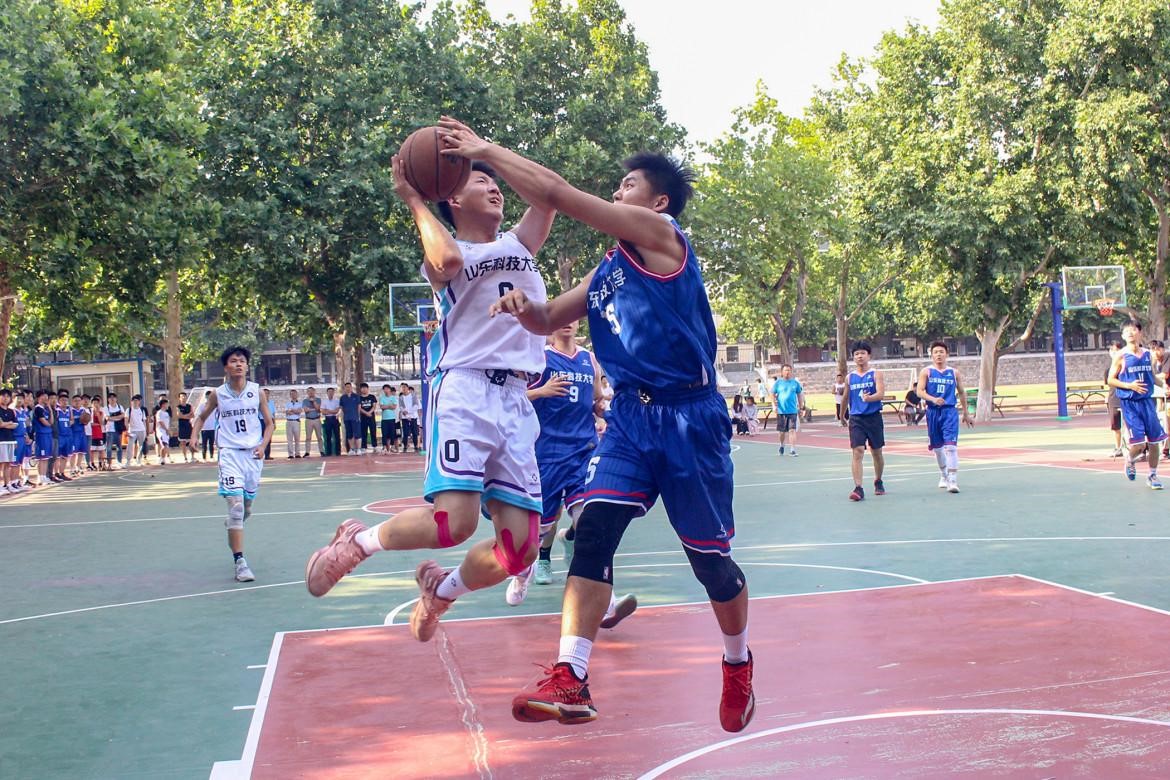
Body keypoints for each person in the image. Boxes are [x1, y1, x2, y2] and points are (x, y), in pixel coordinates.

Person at [441, 119, 754, 732]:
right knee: (594, 531)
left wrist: (484, 151)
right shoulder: (610, 268)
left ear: (657, 202)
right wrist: (523, 308)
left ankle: (738, 662)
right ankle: (571, 674)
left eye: (628, 185)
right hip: (631, 419)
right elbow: (548, 318)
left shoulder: (661, 235)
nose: (616, 192)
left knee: (711, 565)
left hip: (690, 419)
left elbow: (555, 194)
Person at [305, 151, 555, 651]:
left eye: (495, 183)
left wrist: (487, 153)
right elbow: (447, 262)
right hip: (466, 388)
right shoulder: (447, 251)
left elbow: (549, 195)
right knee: (454, 524)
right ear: (453, 198)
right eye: (480, 182)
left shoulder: (519, 243)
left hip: (515, 397)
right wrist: (413, 198)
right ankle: (358, 543)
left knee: (521, 550)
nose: (495, 188)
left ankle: (441, 592)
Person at [504, 321, 636, 633]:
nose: (568, 321)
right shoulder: (539, 357)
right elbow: (510, 398)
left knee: (591, 525)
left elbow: (596, 401)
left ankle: (608, 603)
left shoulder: (588, 359)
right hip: (546, 455)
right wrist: (542, 391)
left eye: (573, 317)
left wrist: (609, 411)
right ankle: (522, 573)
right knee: (536, 533)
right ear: (550, 325)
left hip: (583, 452)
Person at [188, 346, 274, 582]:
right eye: (234, 361)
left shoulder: (257, 392)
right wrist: (194, 436)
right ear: (226, 367)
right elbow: (201, 417)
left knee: (246, 509)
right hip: (229, 454)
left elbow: (269, 424)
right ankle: (240, 562)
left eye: (242, 361)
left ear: (247, 366)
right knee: (236, 508)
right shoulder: (218, 394)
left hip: (252, 456)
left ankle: (235, 522)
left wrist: (263, 445)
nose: (238, 364)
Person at [1108, 322, 1166, 489]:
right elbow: (1110, 379)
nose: (1130, 333)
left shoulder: (1148, 354)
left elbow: (1152, 377)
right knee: (1139, 445)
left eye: (1133, 330)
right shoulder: (1121, 356)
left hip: (1147, 402)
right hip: (1130, 404)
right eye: (1126, 331)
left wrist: (1164, 385)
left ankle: (1152, 475)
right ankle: (1129, 460)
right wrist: (1129, 385)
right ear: (1123, 336)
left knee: (1155, 442)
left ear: (1140, 333)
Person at [917, 342, 973, 493]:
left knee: (951, 447)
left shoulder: (954, 373)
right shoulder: (926, 372)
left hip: (949, 412)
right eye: (935, 352)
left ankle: (953, 480)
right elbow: (919, 391)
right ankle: (944, 474)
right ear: (931, 355)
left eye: (941, 351)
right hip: (933, 412)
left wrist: (966, 413)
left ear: (947, 354)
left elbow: (962, 392)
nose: (939, 354)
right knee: (938, 448)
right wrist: (933, 399)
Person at [847, 342, 886, 501]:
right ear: (853, 357)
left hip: (873, 417)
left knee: (876, 452)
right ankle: (858, 488)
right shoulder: (850, 377)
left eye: (862, 353)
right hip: (856, 418)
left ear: (868, 355)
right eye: (856, 354)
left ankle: (878, 480)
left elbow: (881, 394)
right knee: (857, 451)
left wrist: (870, 398)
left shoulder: (876, 374)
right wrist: (841, 415)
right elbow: (846, 397)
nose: (859, 356)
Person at [771, 364, 804, 456]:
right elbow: (772, 393)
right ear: (782, 372)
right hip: (782, 411)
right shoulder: (778, 383)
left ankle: (792, 449)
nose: (787, 372)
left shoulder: (795, 383)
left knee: (792, 430)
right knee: (782, 432)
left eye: (789, 370)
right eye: (785, 370)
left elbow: (799, 395)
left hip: (793, 411)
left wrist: (801, 408)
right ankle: (782, 445)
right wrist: (774, 405)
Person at [1105, 339, 1125, 457]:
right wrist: (1107, 397)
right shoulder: (1108, 370)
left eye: (1116, 350)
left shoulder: (1125, 367)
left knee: (1130, 424)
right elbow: (1109, 385)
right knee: (1115, 425)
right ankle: (1118, 448)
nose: (1113, 352)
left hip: (1125, 398)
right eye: (1111, 350)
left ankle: (1134, 447)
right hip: (1113, 399)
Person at [0, 388, 16, 495]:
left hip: (10, 440)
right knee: (1, 463)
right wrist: (8, 423)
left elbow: (15, 425)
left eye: (7, 396)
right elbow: (0, 424)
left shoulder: (11, 411)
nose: (5, 398)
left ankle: (7, 484)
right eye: (3, 396)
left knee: (8, 463)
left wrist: (6, 424)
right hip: (1, 440)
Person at [339, 381, 361, 455]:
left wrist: (358, 416)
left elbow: (359, 406)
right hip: (347, 418)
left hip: (355, 418)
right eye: (346, 387)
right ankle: (352, 449)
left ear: (351, 388)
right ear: (344, 388)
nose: (348, 388)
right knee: (349, 434)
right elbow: (341, 408)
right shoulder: (342, 397)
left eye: (349, 387)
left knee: (357, 434)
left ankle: (358, 449)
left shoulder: (356, 396)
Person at [104, 392, 126, 469]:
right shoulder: (106, 408)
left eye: (114, 397)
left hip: (118, 429)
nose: (112, 399)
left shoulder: (120, 407)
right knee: (109, 447)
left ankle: (119, 462)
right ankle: (109, 463)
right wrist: (118, 417)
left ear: (116, 399)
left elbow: (123, 415)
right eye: (110, 398)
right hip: (109, 430)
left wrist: (113, 418)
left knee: (119, 447)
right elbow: (107, 418)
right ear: (108, 399)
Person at [126, 395, 149, 466]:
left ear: (139, 402)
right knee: (130, 445)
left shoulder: (142, 410)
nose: (135, 402)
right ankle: (128, 461)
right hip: (132, 430)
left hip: (141, 430)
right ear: (131, 402)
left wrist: (145, 431)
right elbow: (126, 420)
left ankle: (139, 460)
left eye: (137, 401)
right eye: (134, 401)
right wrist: (127, 430)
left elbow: (144, 421)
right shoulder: (129, 410)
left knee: (141, 446)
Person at [398, 382, 420, 452]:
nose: (403, 389)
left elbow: (416, 406)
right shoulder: (401, 397)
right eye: (402, 387)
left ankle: (416, 446)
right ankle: (405, 446)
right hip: (405, 418)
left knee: (414, 432)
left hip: (413, 417)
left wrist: (409, 412)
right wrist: (406, 414)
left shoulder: (413, 396)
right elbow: (401, 407)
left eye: (404, 387)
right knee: (405, 433)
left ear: (407, 388)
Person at [378, 384, 399, 453]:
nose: (386, 390)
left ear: (390, 389)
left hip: (392, 418)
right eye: (384, 389)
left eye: (387, 389)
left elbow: (394, 407)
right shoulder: (382, 398)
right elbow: (382, 407)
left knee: (392, 433)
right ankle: (384, 447)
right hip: (384, 419)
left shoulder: (393, 398)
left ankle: (392, 446)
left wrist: (386, 406)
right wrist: (389, 405)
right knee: (384, 433)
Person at [357, 382, 378, 453]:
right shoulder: (359, 398)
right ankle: (364, 447)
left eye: (365, 388)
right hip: (363, 417)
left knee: (373, 431)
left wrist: (369, 412)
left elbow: (374, 406)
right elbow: (359, 408)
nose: (364, 389)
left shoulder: (372, 397)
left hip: (371, 417)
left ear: (368, 388)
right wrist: (366, 413)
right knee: (363, 432)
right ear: (360, 389)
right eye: (362, 388)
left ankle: (375, 446)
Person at [302, 387, 323, 457]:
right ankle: (307, 452)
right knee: (308, 437)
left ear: (314, 391)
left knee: (319, 437)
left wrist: (313, 402)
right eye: (309, 391)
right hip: (308, 420)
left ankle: (321, 451)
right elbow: (306, 410)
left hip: (317, 419)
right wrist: (313, 409)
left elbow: (318, 408)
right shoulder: (305, 401)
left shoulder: (318, 400)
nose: (311, 393)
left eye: (312, 391)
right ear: (307, 392)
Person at [321, 386, 341, 456]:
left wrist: (328, 410)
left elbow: (337, 411)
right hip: (328, 419)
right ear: (327, 393)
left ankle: (338, 452)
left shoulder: (337, 401)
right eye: (329, 392)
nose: (330, 393)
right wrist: (332, 411)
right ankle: (328, 452)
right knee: (328, 437)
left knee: (337, 436)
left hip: (335, 419)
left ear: (334, 393)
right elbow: (323, 412)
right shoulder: (324, 401)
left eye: (332, 392)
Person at [198, 390, 217, 461]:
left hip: (212, 428)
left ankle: (212, 456)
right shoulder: (202, 406)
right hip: (204, 428)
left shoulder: (215, 406)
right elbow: (200, 416)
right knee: (204, 443)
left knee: (211, 443)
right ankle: (204, 457)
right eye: (207, 396)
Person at [176, 392, 195, 463]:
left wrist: (185, 416)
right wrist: (188, 415)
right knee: (183, 442)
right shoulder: (178, 407)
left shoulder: (189, 406)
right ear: (179, 398)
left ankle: (192, 457)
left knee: (191, 442)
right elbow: (179, 415)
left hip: (189, 426)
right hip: (182, 426)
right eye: (182, 397)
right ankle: (185, 457)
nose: (183, 398)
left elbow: (192, 415)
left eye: (184, 396)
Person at [284, 389, 303, 458]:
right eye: (292, 394)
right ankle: (291, 454)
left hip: (296, 421)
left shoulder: (300, 403)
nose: (293, 395)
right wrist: (295, 411)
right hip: (289, 421)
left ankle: (297, 453)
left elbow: (299, 411)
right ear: (290, 395)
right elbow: (287, 412)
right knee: (289, 439)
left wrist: (292, 410)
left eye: (294, 393)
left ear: (297, 395)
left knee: (297, 438)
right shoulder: (287, 403)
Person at [89, 398, 106, 471]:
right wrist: (95, 423)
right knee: (91, 450)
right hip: (91, 433)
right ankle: (92, 463)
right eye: (94, 403)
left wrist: (98, 414)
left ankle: (101, 463)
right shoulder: (89, 412)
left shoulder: (101, 412)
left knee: (101, 449)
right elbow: (90, 423)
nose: (95, 404)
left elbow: (101, 423)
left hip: (99, 433)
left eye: (97, 403)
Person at [154, 398, 172, 465]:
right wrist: (166, 429)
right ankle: (161, 458)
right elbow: (160, 422)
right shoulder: (159, 412)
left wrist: (168, 430)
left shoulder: (167, 413)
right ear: (163, 404)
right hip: (161, 431)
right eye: (167, 404)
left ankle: (163, 458)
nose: (168, 405)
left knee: (166, 446)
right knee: (164, 445)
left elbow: (167, 423)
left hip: (166, 432)